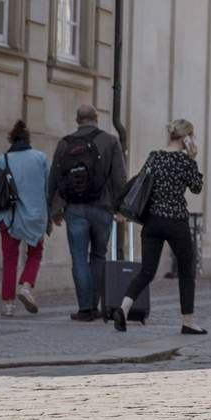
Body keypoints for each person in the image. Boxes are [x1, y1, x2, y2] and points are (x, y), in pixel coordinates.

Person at [110, 119, 206, 335]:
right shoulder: (184, 161)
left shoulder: (155, 156)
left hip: (152, 221)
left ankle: (123, 309)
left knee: (146, 271)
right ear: (186, 138)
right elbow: (196, 187)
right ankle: (188, 321)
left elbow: (140, 182)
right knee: (186, 270)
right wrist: (192, 159)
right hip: (176, 221)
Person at [48, 102, 128, 322]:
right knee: (99, 255)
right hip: (102, 208)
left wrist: (53, 208)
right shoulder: (111, 141)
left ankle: (85, 309)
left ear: (77, 121)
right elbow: (120, 178)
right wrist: (122, 209)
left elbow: (54, 177)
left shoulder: (64, 143)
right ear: (96, 118)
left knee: (79, 259)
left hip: (74, 209)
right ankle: (95, 305)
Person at [0, 119, 51, 317]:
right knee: (35, 254)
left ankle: (7, 304)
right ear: (28, 139)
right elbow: (48, 189)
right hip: (35, 216)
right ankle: (26, 286)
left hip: (9, 216)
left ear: (11, 139)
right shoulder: (40, 158)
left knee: (9, 259)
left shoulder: (3, 159)